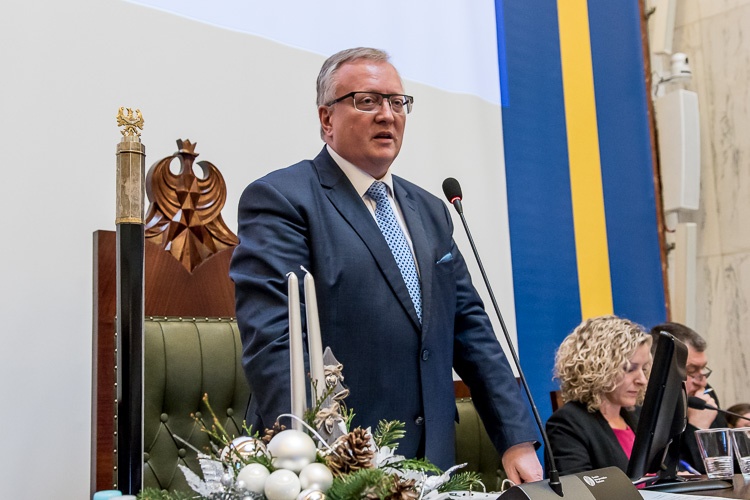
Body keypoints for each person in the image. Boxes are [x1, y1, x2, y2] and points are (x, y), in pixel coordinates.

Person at [229, 47, 542, 482]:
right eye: (367, 101)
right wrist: (325, 453)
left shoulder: (431, 210)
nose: (387, 115)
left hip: (431, 462)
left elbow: (471, 329)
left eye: (398, 102)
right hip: (334, 460)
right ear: (326, 119)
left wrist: (516, 439)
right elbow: (276, 341)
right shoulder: (283, 199)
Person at [545, 316, 652, 475]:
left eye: (644, 369)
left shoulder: (637, 415)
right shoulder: (567, 424)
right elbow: (576, 487)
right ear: (598, 368)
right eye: (629, 369)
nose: (642, 380)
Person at [649, 322, 727, 474]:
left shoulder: (704, 394)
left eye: (702, 369)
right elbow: (672, 471)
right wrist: (697, 428)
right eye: (691, 371)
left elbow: (726, 462)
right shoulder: (647, 404)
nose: (702, 382)